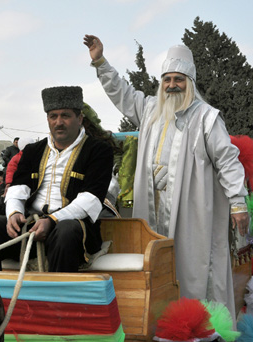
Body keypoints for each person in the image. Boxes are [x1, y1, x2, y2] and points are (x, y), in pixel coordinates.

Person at [84, 34, 249, 319]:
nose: (172, 85)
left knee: (193, 266)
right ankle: (160, 324)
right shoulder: (149, 109)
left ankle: (198, 324)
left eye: (179, 79)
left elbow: (228, 160)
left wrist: (237, 202)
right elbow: (121, 93)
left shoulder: (207, 117)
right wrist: (100, 62)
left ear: (190, 82)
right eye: (167, 79)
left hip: (192, 212)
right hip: (152, 210)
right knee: (157, 265)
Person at [0, 86, 113, 272]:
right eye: (53, 116)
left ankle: (57, 300)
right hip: (31, 224)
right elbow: (17, 187)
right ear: (47, 119)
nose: (58, 122)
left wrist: (52, 220)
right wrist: (13, 213)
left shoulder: (98, 150)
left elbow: (90, 199)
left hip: (72, 230)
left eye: (65, 116)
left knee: (66, 231)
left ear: (80, 119)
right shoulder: (33, 151)